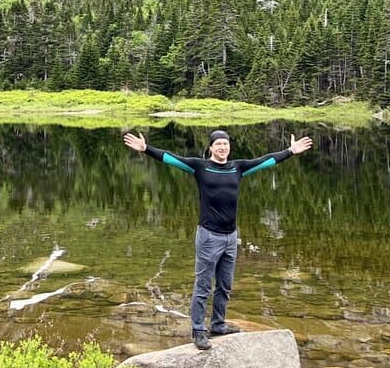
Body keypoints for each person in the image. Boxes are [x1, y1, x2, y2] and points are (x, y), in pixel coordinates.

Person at [123, 128, 312, 350]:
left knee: (225, 285)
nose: (222, 148)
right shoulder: (200, 167)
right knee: (203, 285)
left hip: (231, 237)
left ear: (229, 147)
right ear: (211, 148)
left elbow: (266, 160)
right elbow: (171, 158)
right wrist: (146, 149)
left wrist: (290, 151)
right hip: (208, 237)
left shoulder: (238, 168)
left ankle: (218, 324)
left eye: (225, 144)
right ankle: (198, 331)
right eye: (218, 144)